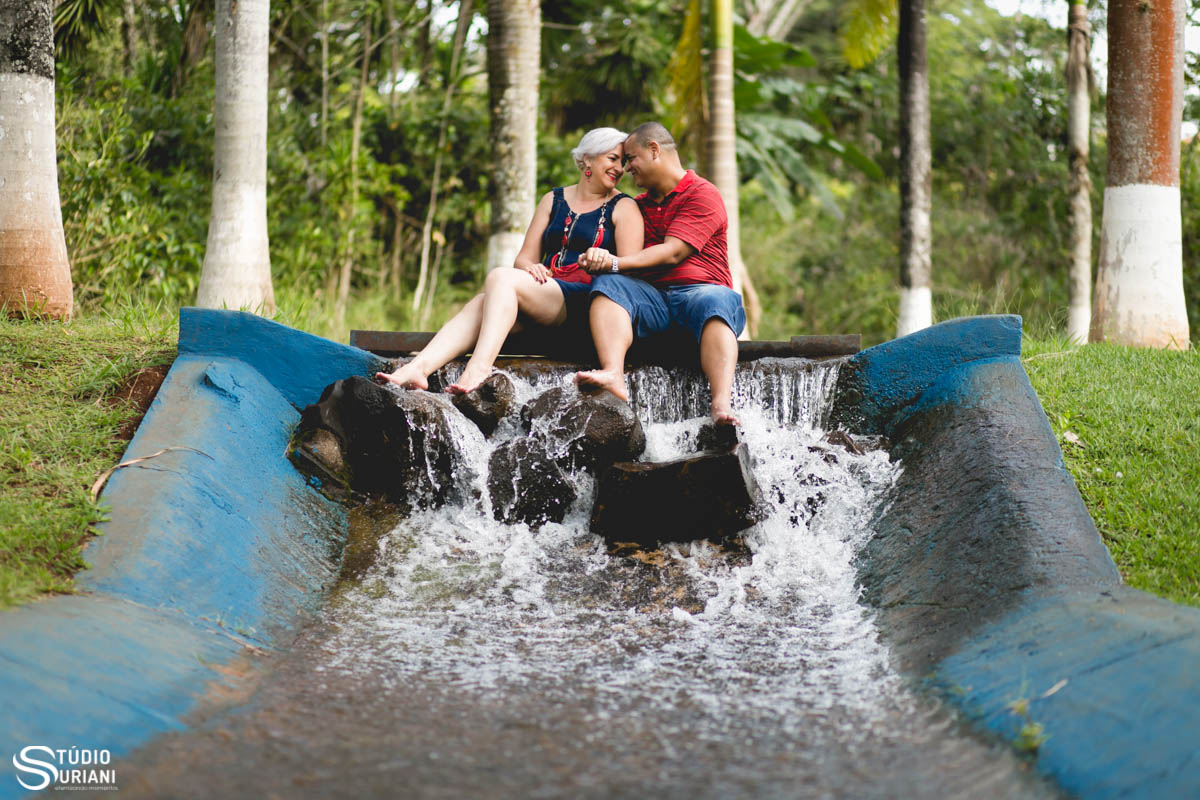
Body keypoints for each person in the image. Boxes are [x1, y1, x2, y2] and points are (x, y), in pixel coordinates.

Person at [375, 128, 643, 394]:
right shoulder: (554, 199)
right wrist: (531, 267)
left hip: (589, 305)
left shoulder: (624, 207)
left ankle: (479, 368)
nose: (619, 168)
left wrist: (607, 259)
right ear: (587, 158)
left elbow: (628, 277)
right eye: (612, 158)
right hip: (547, 295)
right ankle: (420, 368)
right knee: (481, 303)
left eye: (622, 162)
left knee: (500, 277)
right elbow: (524, 258)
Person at [575, 122, 746, 426]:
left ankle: (721, 403)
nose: (626, 168)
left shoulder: (702, 194)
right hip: (652, 303)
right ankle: (613, 372)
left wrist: (613, 262)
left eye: (630, 158)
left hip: (699, 294)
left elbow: (673, 252)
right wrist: (594, 257)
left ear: (654, 149)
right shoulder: (635, 206)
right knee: (609, 284)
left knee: (716, 301)